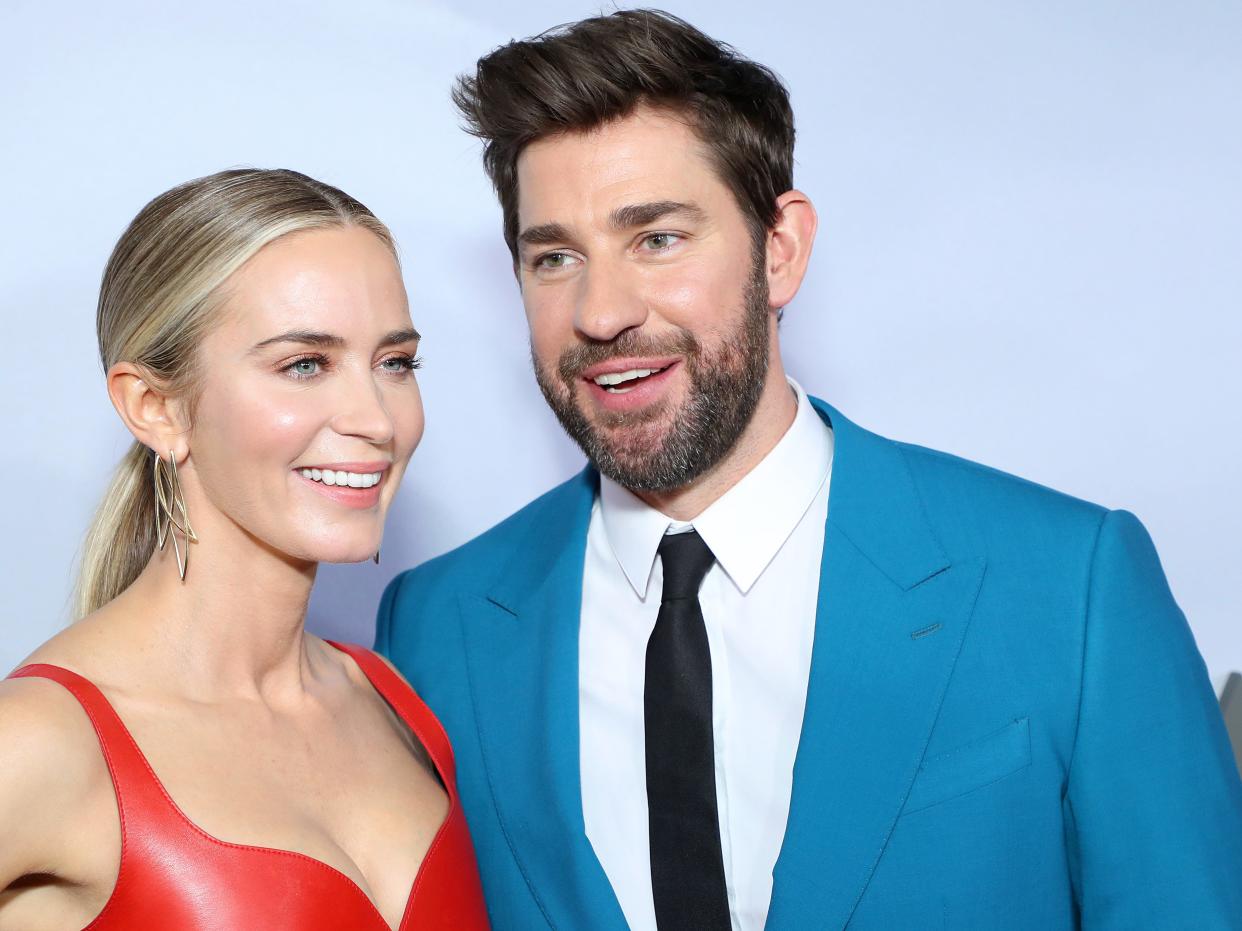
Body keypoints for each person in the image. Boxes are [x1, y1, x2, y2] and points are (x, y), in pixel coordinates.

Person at [376, 9, 1242, 931]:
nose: (600, 311)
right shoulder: (438, 627)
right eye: (554, 256)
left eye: (657, 238)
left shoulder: (1070, 585)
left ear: (779, 250)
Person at [0, 169, 489, 931]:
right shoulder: (39, 742)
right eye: (304, 364)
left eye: (395, 362)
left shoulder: (394, 702)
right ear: (154, 406)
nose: (377, 419)